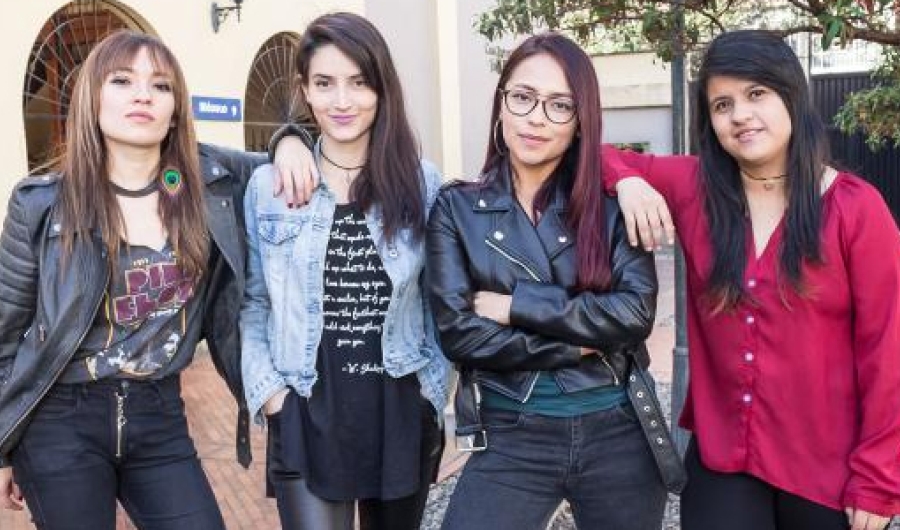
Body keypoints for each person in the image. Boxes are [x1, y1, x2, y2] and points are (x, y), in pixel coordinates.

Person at [604, 30, 900, 530]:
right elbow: (586, 153)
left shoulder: (855, 208)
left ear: (791, 94)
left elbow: (888, 347)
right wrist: (627, 178)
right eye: (722, 104)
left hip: (826, 471)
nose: (739, 114)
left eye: (755, 94)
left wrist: (880, 476)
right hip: (723, 465)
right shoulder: (694, 189)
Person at [0, 30, 274, 529]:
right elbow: (4, 334)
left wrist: (293, 141)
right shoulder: (41, 204)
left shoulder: (209, 181)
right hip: (60, 420)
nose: (143, 95)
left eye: (161, 85)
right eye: (122, 80)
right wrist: (2, 442)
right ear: (93, 97)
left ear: (176, 108)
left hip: (159, 415)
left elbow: (293, 156)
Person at [425, 32, 684, 530]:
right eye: (522, 97)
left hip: (619, 429)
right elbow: (461, 335)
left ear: (580, 120)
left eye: (559, 105)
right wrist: (581, 345)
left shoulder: (612, 206)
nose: (537, 117)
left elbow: (633, 316)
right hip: (512, 432)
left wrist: (516, 305)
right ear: (501, 105)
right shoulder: (457, 209)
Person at [240, 12, 449, 530]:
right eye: (325, 83)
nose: (342, 101)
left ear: (381, 89)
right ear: (304, 90)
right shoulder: (270, 187)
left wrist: (432, 393)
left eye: (359, 83)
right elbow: (253, 303)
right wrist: (272, 399)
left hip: (399, 411)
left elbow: (437, 301)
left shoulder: (421, 184)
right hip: (305, 410)